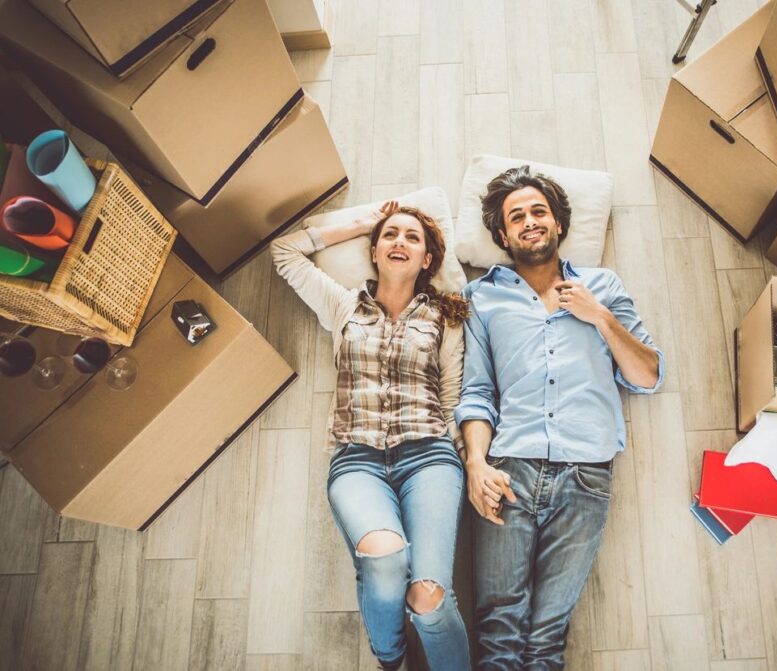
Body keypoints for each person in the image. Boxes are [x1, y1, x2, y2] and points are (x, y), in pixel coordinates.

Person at [455, 166, 666, 669]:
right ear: (503, 235)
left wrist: (601, 317)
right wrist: (475, 465)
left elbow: (648, 376)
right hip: (509, 470)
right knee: (499, 628)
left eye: (538, 211)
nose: (530, 221)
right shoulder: (482, 297)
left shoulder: (602, 285)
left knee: (548, 635)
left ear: (558, 224)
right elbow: (478, 392)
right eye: (517, 216)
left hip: (587, 475)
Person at [272, 201, 471, 671]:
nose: (399, 241)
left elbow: (450, 394)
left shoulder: (446, 318)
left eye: (412, 237)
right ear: (376, 252)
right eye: (390, 235)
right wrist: (364, 223)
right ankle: (390, 655)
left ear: (427, 261)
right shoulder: (343, 305)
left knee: (429, 596)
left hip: (430, 458)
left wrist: (465, 457)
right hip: (357, 461)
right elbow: (285, 253)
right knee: (383, 560)